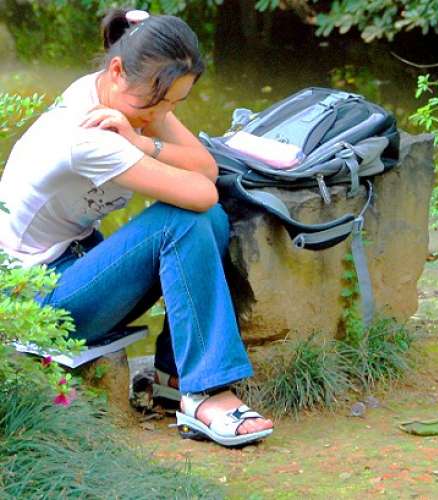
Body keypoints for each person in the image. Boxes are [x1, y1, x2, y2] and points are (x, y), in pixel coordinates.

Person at [0, 9, 273, 447]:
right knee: (184, 219)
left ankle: (174, 378)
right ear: (116, 70)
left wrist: (144, 138)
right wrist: (143, 138)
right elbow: (202, 191)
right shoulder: (87, 136)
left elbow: (206, 167)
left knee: (206, 219)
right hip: (38, 300)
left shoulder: (128, 95)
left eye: (174, 104)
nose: (162, 113)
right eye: (156, 103)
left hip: (77, 260)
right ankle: (205, 390)